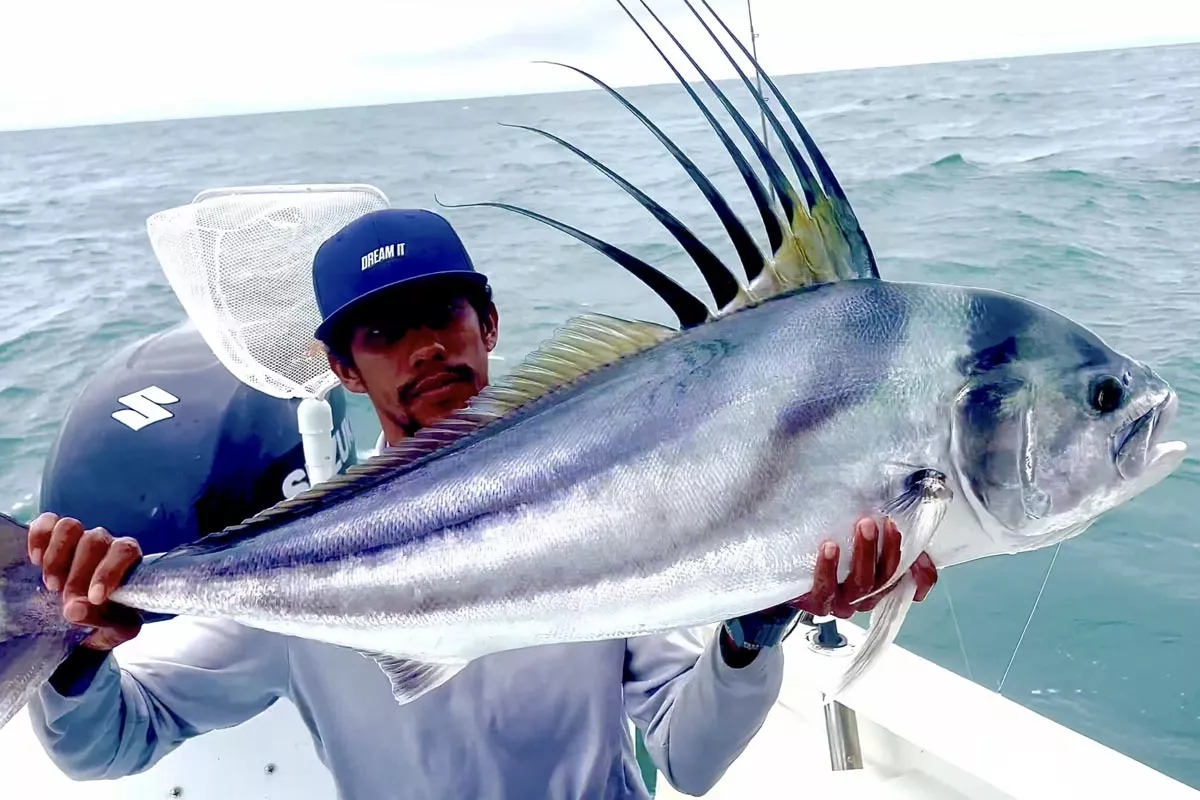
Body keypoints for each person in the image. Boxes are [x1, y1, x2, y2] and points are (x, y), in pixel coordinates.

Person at [27, 209, 938, 799]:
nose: (427, 348)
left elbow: (690, 763)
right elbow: (104, 746)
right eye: (386, 331)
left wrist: (752, 625)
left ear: (489, 325)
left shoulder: (609, 508)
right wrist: (76, 650)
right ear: (344, 370)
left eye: (447, 315)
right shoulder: (299, 573)